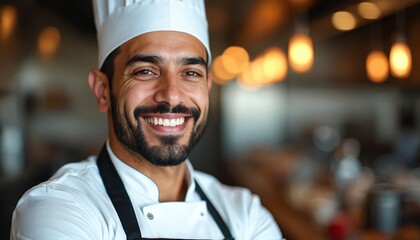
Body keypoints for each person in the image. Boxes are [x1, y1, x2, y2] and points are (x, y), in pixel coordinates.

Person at [10, 0, 283, 239]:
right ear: (103, 90)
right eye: (146, 71)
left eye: (191, 73)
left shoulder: (245, 215)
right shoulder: (59, 209)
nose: (172, 96)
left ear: (208, 86)